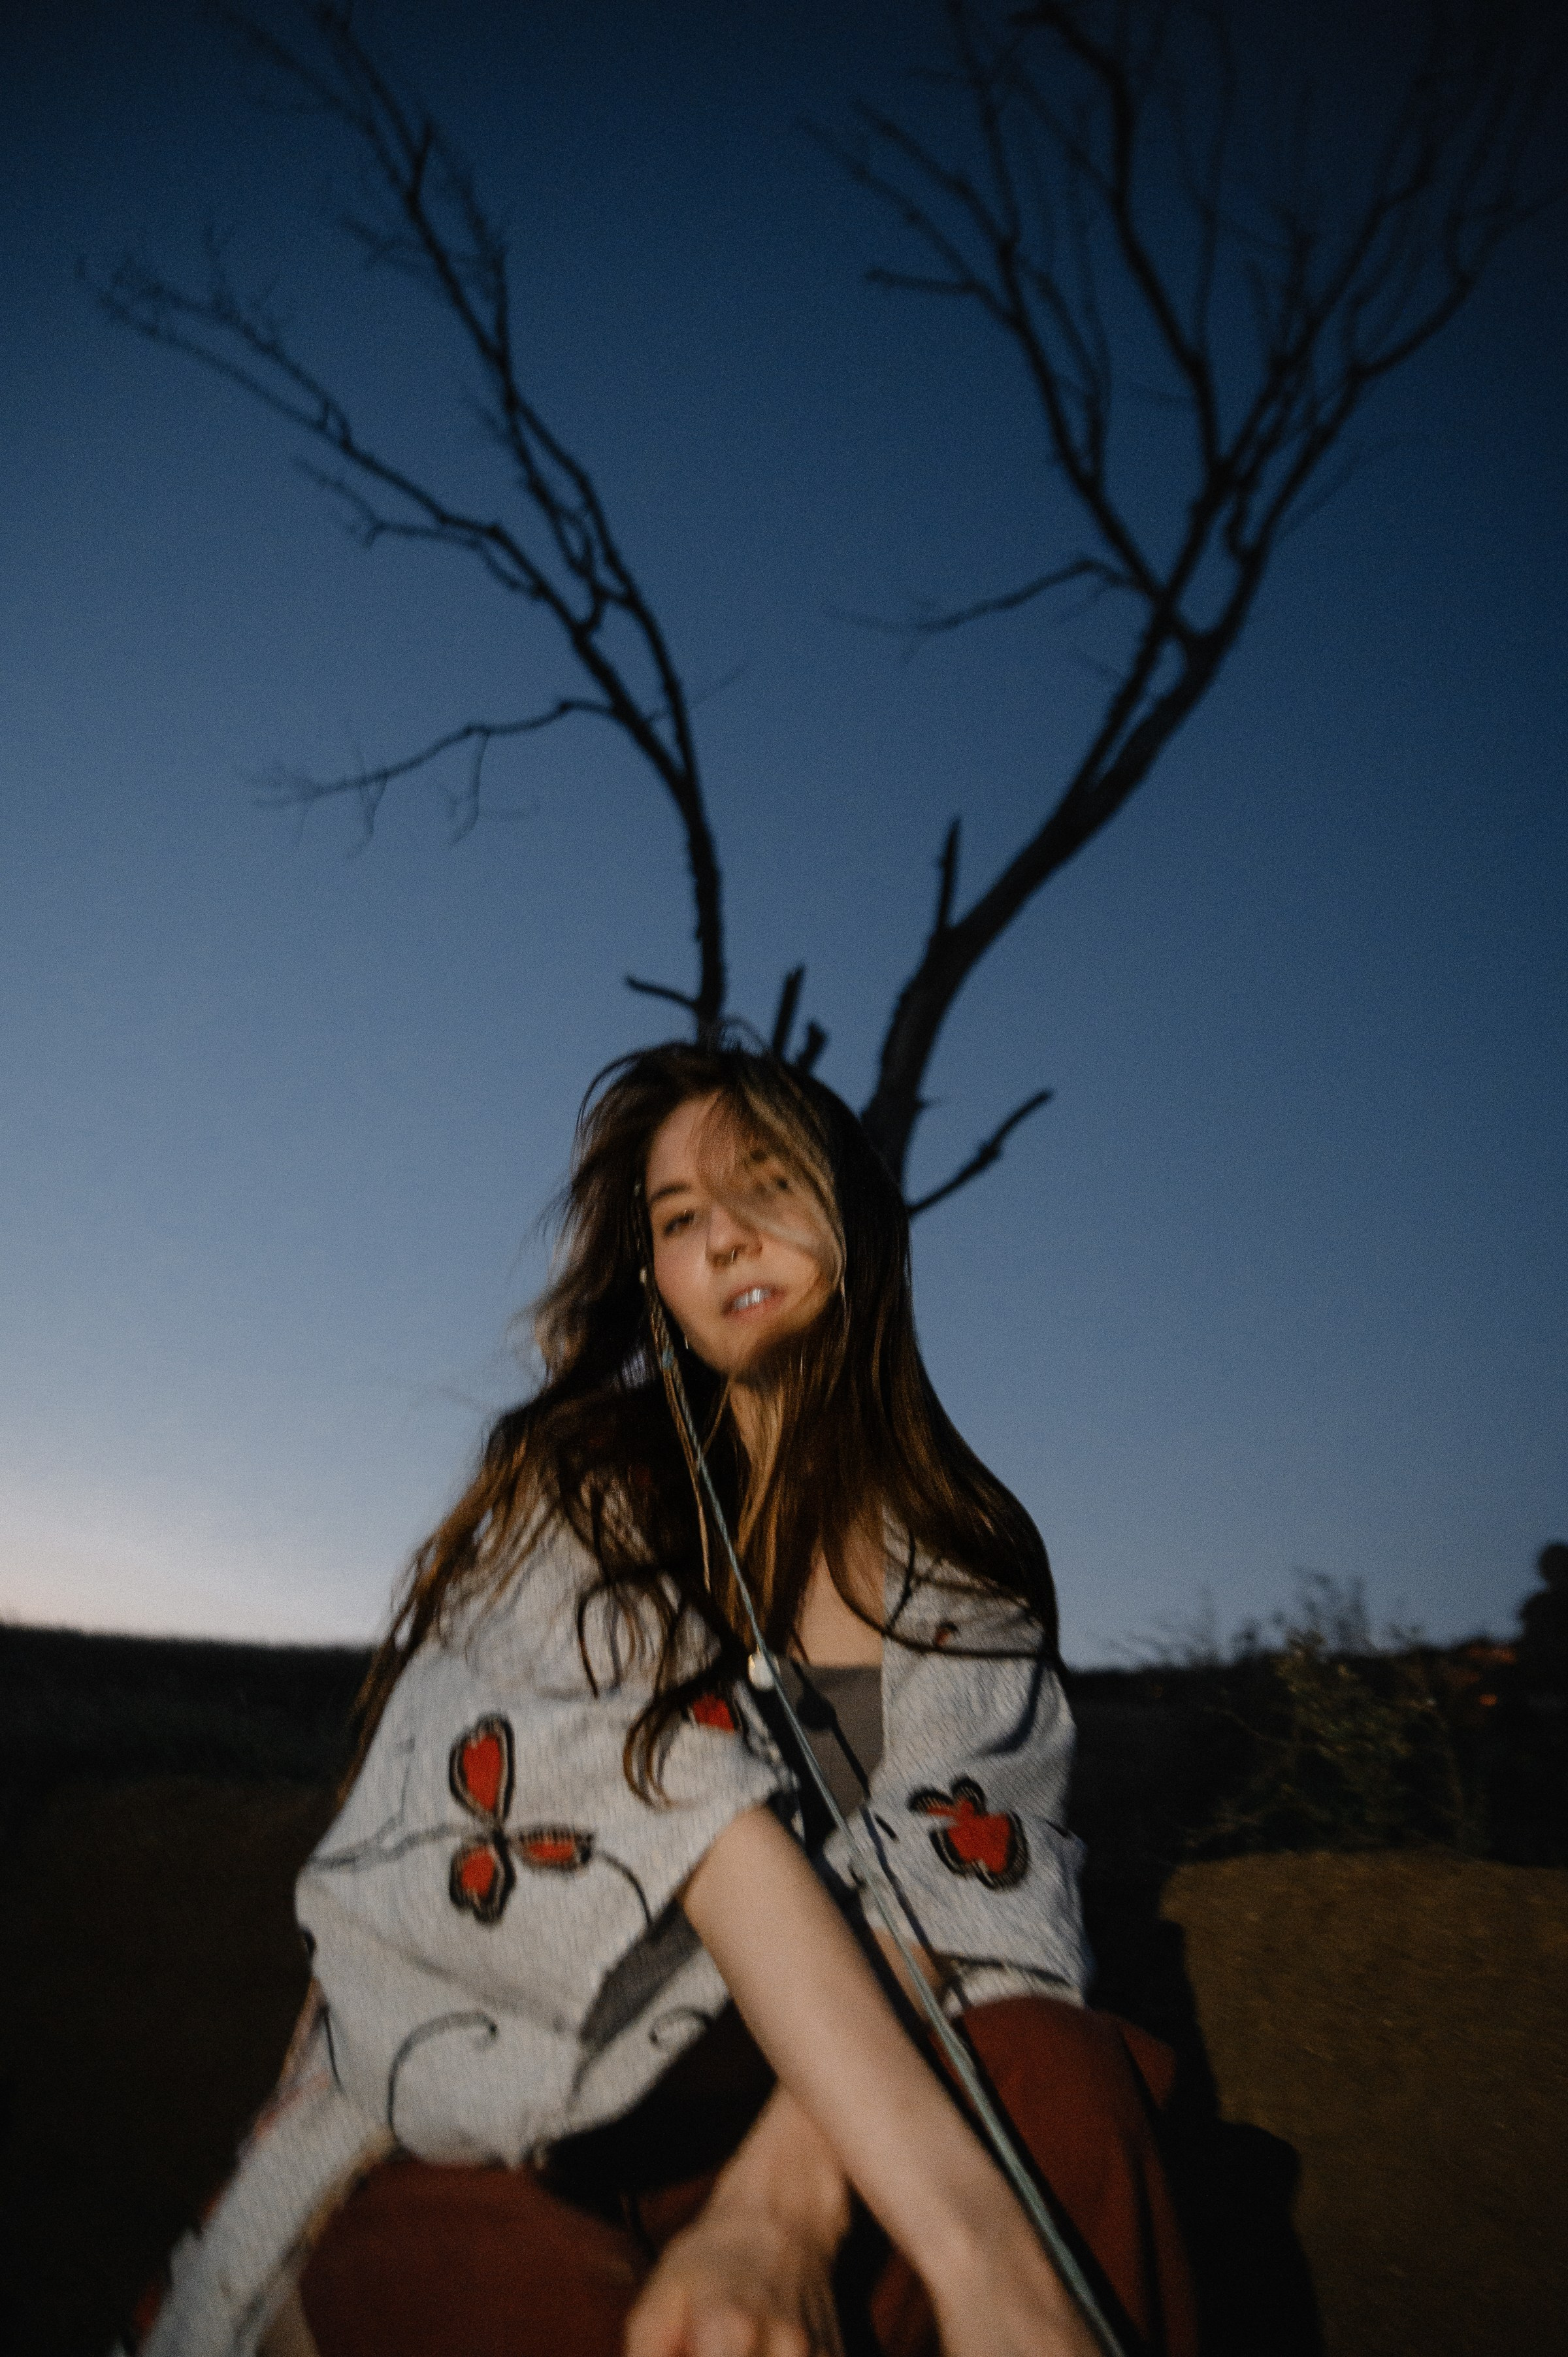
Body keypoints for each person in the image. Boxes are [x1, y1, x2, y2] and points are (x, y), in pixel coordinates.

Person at [125, 1041, 1198, 2357]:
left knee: (1063, 2075)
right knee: (530, 2295)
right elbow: (666, 1790)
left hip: (817, 2122)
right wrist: (976, 2251)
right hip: (524, 2118)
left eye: (764, 1181)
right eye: (679, 1218)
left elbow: (966, 1898)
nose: (725, 1232)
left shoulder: (965, 1576)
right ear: (659, 1284)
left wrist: (779, 2208)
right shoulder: (577, 1497)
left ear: (854, 1215)